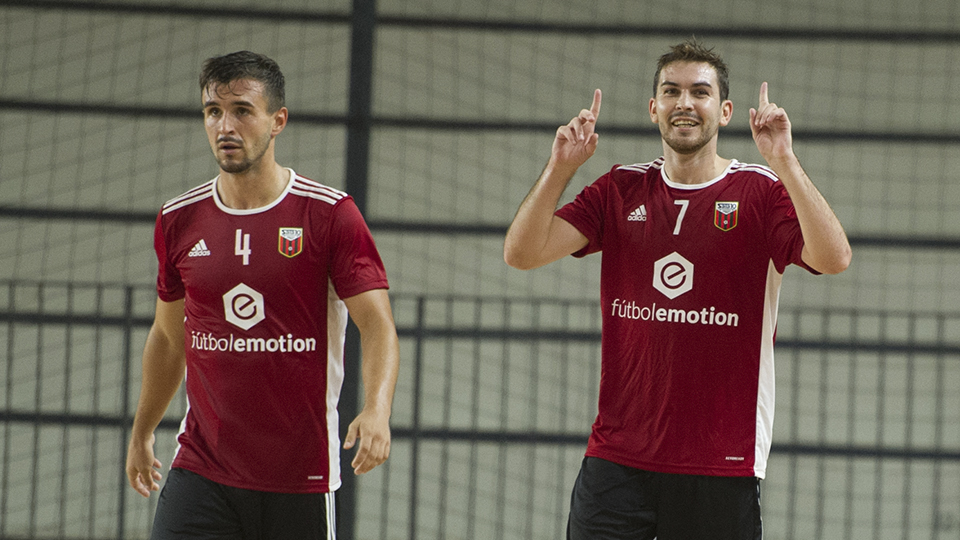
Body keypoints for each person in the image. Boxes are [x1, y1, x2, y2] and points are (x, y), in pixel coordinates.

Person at [504, 40, 851, 540]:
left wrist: (785, 161)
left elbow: (834, 258)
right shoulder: (619, 188)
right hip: (617, 459)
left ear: (725, 110)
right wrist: (561, 167)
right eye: (671, 92)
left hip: (719, 463)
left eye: (699, 92)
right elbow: (522, 253)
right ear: (653, 109)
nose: (684, 103)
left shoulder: (758, 192)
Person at [125, 50, 400, 539]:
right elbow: (169, 340)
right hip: (202, 469)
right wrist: (142, 429)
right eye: (213, 111)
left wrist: (377, 409)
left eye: (242, 111)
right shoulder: (178, 219)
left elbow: (377, 325)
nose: (225, 126)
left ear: (278, 121)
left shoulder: (330, 215)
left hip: (298, 478)